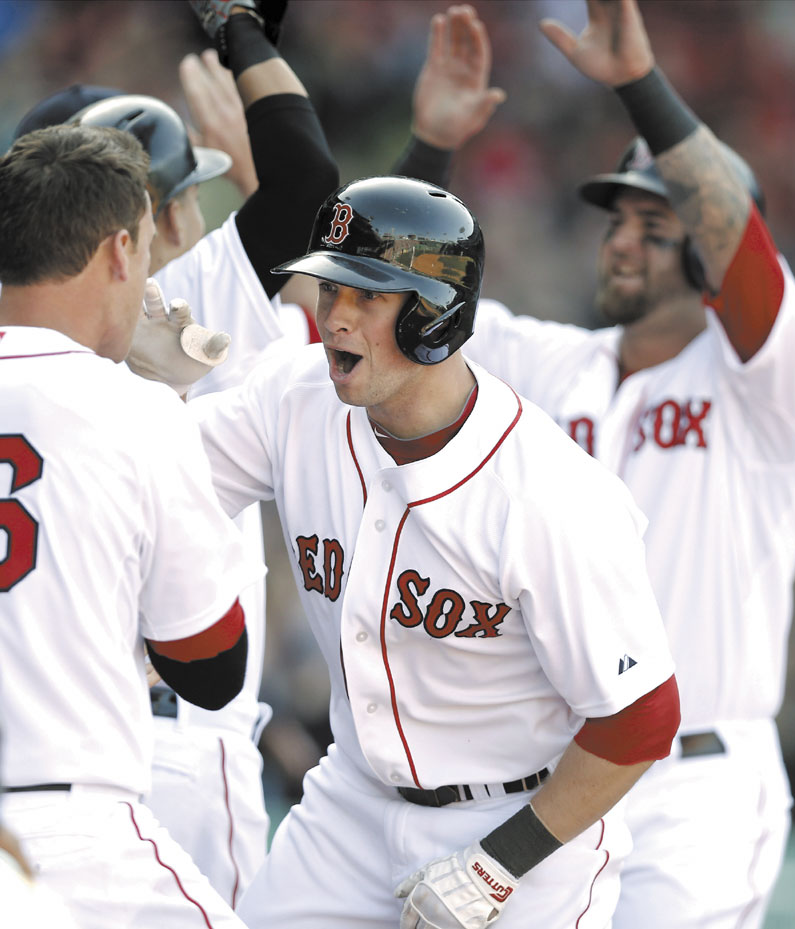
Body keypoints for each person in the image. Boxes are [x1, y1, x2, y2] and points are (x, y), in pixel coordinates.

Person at [161, 172, 681, 929]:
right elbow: (155, 487)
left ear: (434, 314)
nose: (334, 316)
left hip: (524, 822)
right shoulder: (294, 396)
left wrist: (498, 863)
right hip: (350, 804)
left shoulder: (548, 493)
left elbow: (640, 719)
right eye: (328, 289)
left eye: (366, 296)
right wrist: (147, 391)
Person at [460, 1, 795, 926]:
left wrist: (638, 89)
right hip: (561, 777)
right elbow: (405, 315)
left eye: (652, 223)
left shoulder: (764, 379)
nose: (619, 236)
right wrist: (425, 143)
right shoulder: (549, 360)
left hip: (700, 780)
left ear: (706, 247)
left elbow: (739, 238)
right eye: (617, 217)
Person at [0, 123, 262, 929]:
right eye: (146, 248)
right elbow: (212, 664)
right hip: (77, 829)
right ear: (120, 250)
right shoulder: (139, 411)